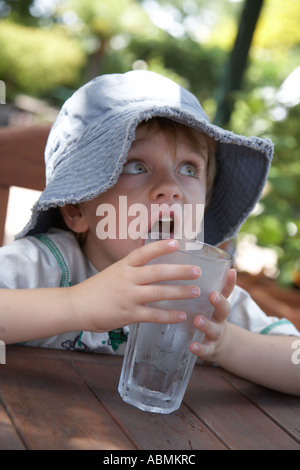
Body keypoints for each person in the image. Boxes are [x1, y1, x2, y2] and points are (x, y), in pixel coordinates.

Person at [0, 70, 299, 395]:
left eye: (189, 168)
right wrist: (75, 304)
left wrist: (226, 343)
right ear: (76, 208)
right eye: (136, 166)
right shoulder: (46, 265)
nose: (170, 188)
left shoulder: (204, 291)